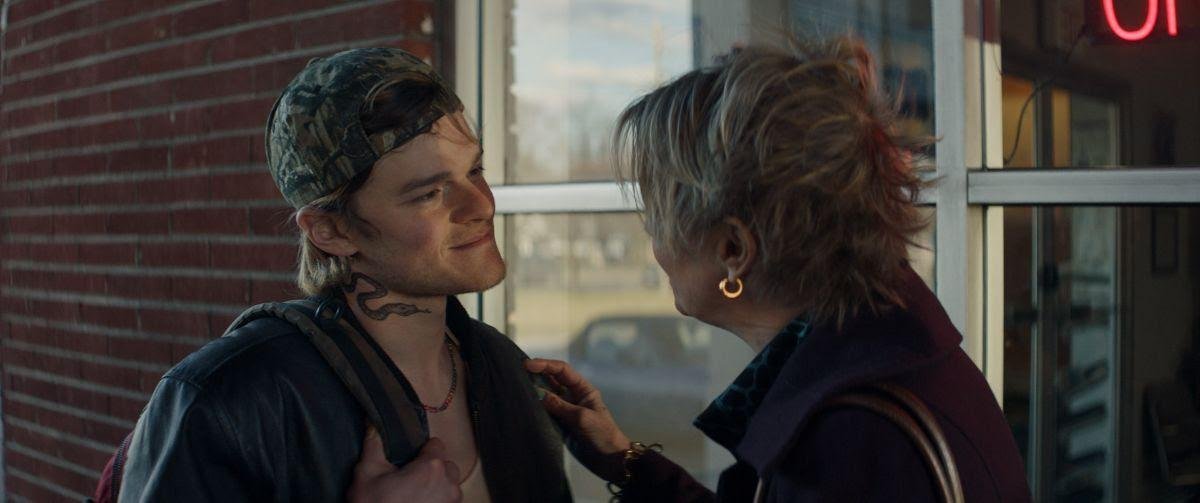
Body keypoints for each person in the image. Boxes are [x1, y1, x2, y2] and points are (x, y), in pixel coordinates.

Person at [524, 35, 1032, 502]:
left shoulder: (848, 440)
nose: (653, 242)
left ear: (733, 249)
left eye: (657, 217)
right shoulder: (884, 362)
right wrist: (626, 461)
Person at [117, 48, 571, 502]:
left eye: (475, 170)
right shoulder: (229, 400)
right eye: (429, 193)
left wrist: (615, 467)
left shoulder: (506, 369)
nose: (481, 205)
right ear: (332, 231)